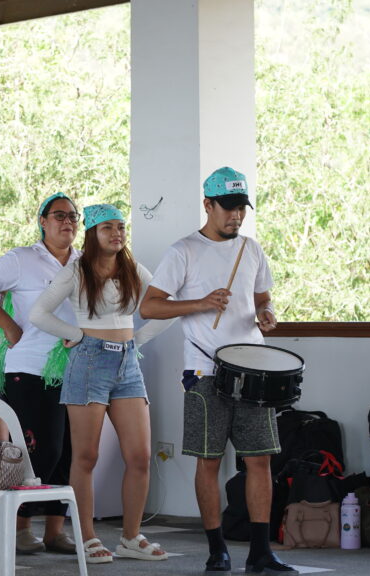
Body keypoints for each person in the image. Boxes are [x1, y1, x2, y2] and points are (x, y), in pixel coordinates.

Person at [140, 167, 290, 576]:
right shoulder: (183, 250)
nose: (235, 217)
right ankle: (216, 549)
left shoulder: (252, 249)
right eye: (228, 208)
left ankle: (261, 553)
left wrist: (266, 313)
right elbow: (150, 306)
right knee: (208, 461)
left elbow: (262, 297)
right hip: (204, 371)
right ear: (207, 204)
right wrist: (200, 303)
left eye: (241, 208)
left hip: (253, 369)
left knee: (259, 461)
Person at [30, 203, 172, 564]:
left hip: (127, 363)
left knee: (139, 456)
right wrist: (75, 335)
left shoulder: (131, 268)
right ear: (92, 233)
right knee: (86, 456)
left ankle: (131, 537)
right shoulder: (77, 269)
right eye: (108, 227)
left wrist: (136, 341)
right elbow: (38, 313)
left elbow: (163, 306)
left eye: (120, 227)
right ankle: (87, 537)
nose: (117, 234)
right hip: (89, 360)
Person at [0, 192, 81, 555]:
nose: (68, 222)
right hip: (29, 367)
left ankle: (55, 531)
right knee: (35, 449)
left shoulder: (85, 261)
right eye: (59, 215)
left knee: (68, 453)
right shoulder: (22, 258)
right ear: (42, 222)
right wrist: (8, 327)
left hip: (75, 369)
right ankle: (19, 528)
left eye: (73, 217)